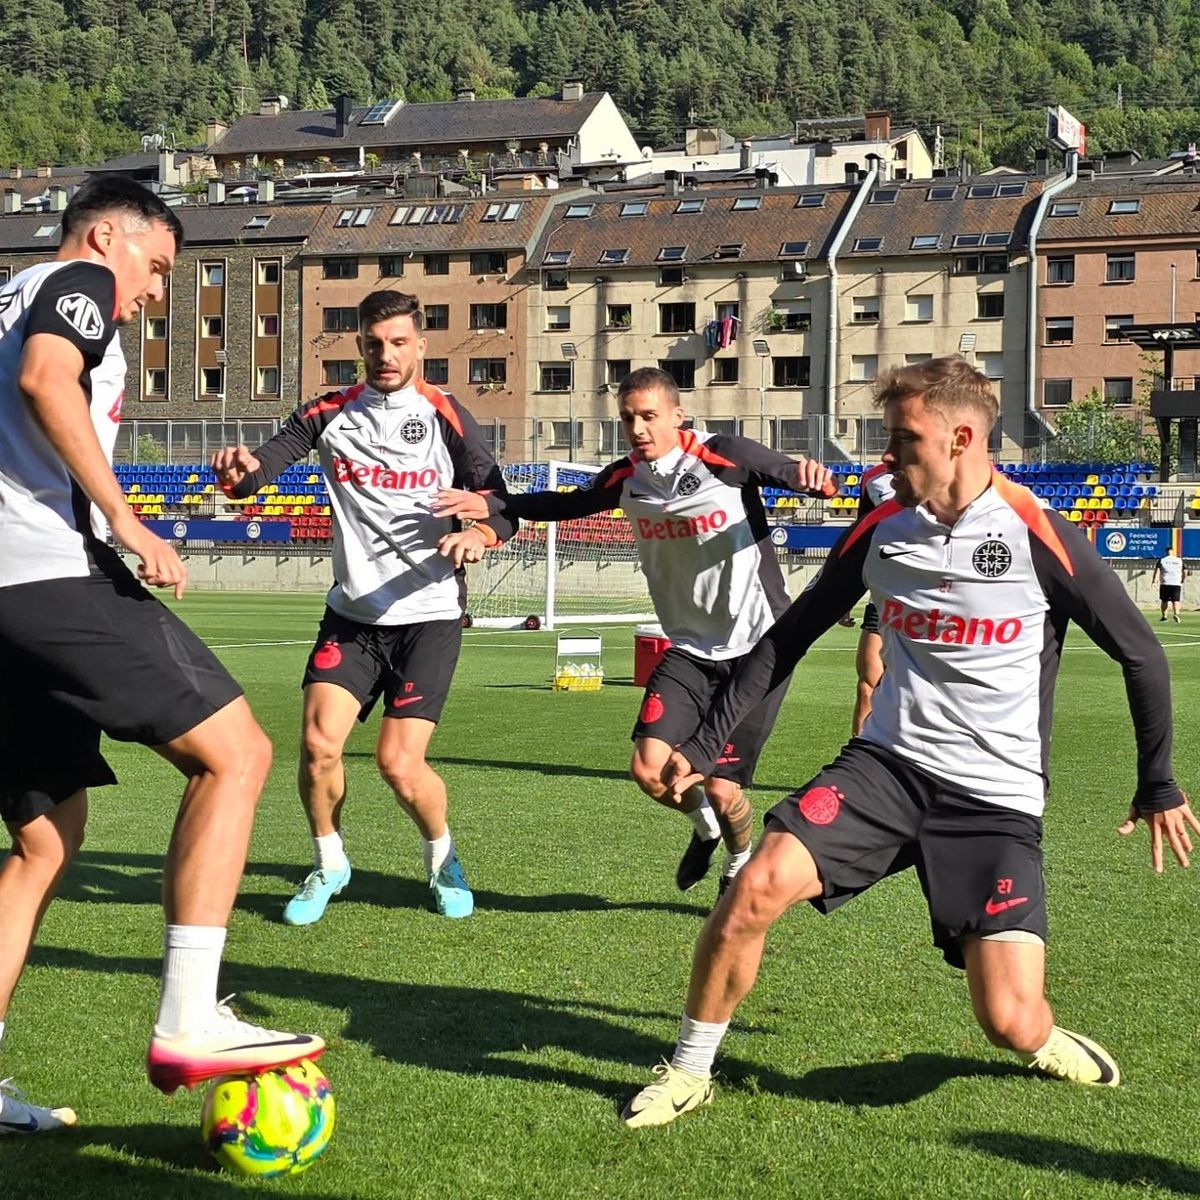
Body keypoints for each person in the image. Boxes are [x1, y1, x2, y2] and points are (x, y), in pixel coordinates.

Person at [620, 356, 1198, 1127]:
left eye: (904, 440)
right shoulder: (884, 527)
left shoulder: (1035, 531)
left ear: (961, 438)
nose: (888, 457)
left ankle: (1040, 1037)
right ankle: (691, 1070)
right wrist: (703, 746)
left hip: (993, 797)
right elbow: (786, 639)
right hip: (886, 769)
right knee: (753, 886)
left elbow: (1141, 653)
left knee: (1009, 1021)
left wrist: (1157, 782)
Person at [0, 176, 324, 1133]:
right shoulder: (78, 283)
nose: (152, 294)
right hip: (47, 573)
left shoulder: (5, 295)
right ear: (108, 236)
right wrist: (126, 517)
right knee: (239, 753)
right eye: (156, 268)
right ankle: (189, 1015)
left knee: (45, 841)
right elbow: (46, 379)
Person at [437, 367, 832, 897]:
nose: (639, 429)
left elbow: (787, 472)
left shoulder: (724, 455)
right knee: (649, 771)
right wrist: (495, 505)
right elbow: (565, 505)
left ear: (677, 415)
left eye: (649, 416)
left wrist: (810, 476)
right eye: (629, 419)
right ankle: (707, 832)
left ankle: (739, 859)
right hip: (689, 648)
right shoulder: (627, 478)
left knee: (722, 789)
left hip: (757, 648)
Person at [212, 290, 515, 926]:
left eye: (399, 342)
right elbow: (258, 472)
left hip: (429, 614)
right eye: (375, 344)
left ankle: (443, 859)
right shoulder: (327, 413)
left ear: (421, 346)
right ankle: (329, 863)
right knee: (318, 746)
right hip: (353, 617)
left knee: (399, 765)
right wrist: (237, 473)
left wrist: (482, 531)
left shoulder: (446, 415)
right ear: (359, 347)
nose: (386, 354)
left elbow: (502, 504)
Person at [851, 464, 895, 735]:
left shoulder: (957, 471)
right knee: (868, 685)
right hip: (882, 598)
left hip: (934, 602)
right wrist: (845, 598)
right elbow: (861, 540)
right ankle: (859, 752)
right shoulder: (875, 478)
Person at [1151, 550, 1186, 623]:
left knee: (1164, 600)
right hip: (1176, 583)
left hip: (1165, 583)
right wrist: (1182, 579)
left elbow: (1157, 572)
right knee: (1176, 600)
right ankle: (1176, 614)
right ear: (1173, 552)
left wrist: (1154, 581)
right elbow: (1185, 571)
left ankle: (1164, 617)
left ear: (1166, 552)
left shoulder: (1162, 560)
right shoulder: (1179, 560)